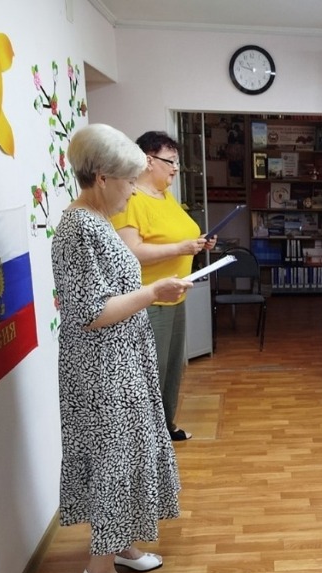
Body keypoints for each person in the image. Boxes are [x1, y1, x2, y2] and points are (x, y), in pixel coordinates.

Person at [51, 124, 193, 573]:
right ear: (101, 177)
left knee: (131, 453)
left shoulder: (96, 221)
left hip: (121, 358)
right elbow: (90, 312)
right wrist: (154, 292)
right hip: (101, 369)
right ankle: (99, 572)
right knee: (114, 460)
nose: (133, 191)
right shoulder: (78, 229)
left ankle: (122, 544)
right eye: (129, 181)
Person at [111, 131, 216, 442]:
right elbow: (131, 252)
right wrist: (180, 248)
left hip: (175, 295)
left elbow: (177, 235)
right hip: (149, 300)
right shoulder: (132, 199)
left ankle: (166, 426)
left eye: (177, 162)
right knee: (151, 370)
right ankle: (147, 436)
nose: (175, 169)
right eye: (170, 161)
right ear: (148, 160)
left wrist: (198, 243)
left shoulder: (166, 196)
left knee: (171, 369)